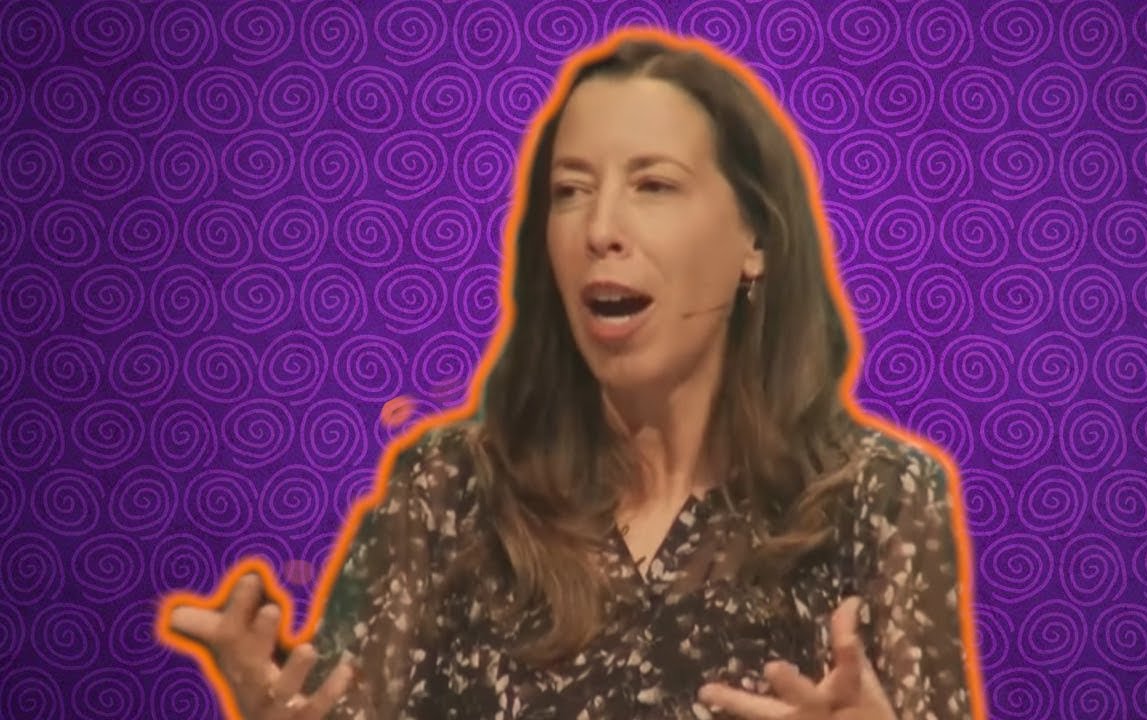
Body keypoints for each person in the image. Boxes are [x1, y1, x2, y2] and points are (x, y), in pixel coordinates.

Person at [161, 30, 980, 720]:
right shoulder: (447, 492)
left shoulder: (881, 499)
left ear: (754, 242)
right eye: (570, 190)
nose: (599, 228)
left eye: (653, 185)